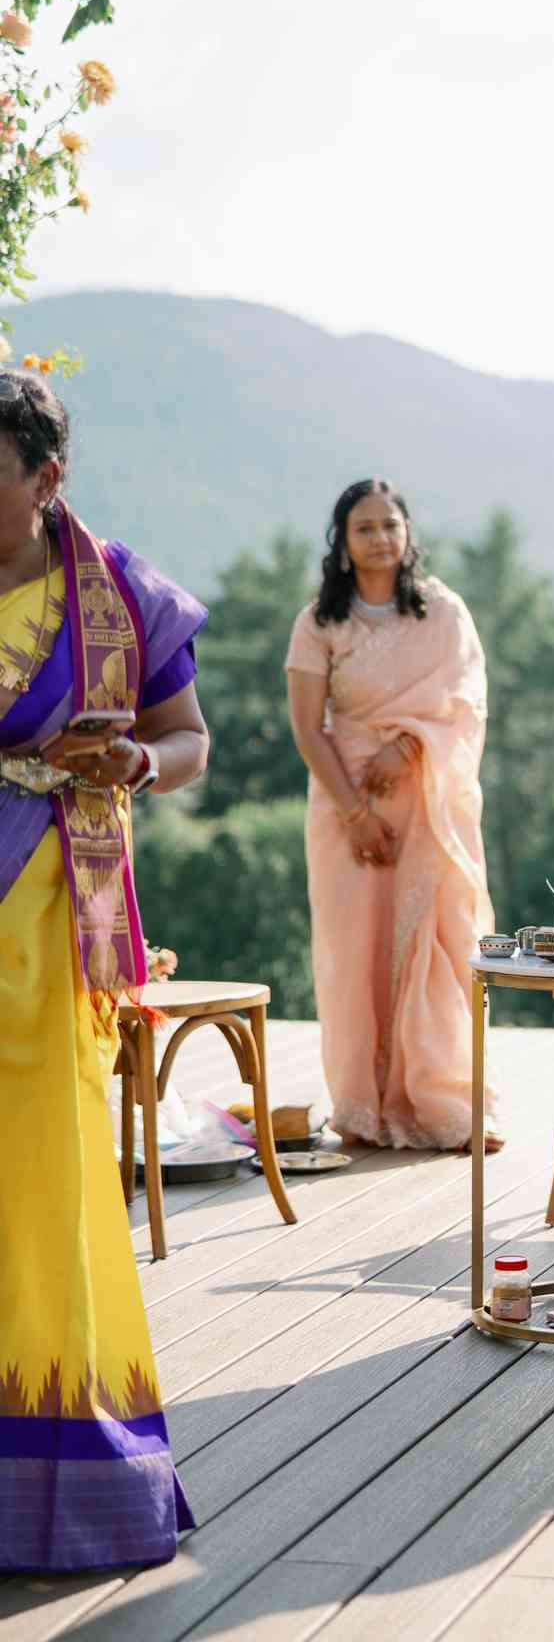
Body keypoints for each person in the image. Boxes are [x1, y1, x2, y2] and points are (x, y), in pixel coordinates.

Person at [0, 366, 208, 1570]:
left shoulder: (120, 594)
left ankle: (62, 1480)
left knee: (51, 1188)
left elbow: (190, 740)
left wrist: (135, 759)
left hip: (51, 927)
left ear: (47, 477)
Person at [286, 478, 499, 1153]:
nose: (379, 537)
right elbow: (306, 727)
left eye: (389, 525)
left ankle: (440, 1101)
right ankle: (365, 1109)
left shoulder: (442, 613)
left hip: (427, 800)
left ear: (408, 534)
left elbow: (466, 702)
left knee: (433, 942)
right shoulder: (321, 619)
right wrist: (354, 812)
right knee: (356, 951)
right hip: (344, 803)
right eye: (363, 528)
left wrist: (409, 745)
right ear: (343, 544)